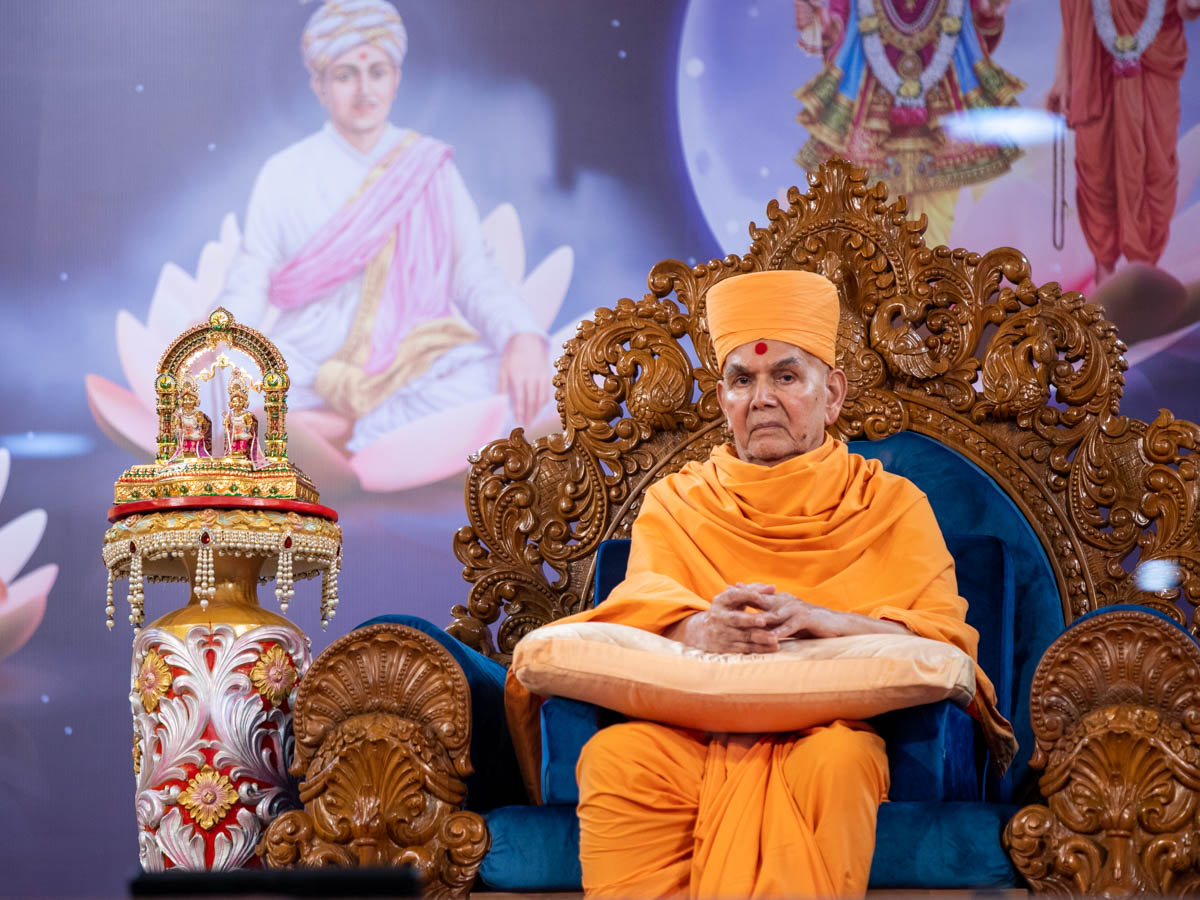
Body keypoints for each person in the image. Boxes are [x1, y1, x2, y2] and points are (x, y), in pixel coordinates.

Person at [506, 270, 1015, 898]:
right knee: (617, 759)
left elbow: (944, 645)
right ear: (722, 399)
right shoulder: (677, 503)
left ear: (833, 394)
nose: (762, 399)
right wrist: (697, 628)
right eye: (742, 379)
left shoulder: (890, 505)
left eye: (786, 377)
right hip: (687, 739)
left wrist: (828, 622)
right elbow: (639, 612)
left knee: (839, 763)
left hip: (830, 737)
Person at [217, 0, 549, 453]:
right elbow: (252, 274)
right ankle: (361, 432)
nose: (364, 91)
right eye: (345, 75)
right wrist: (219, 337)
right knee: (225, 385)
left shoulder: (429, 168)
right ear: (319, 85)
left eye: (377, 72)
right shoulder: (285, 172)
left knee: (526, 376)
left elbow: (474, 273)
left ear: (396, 80)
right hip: (307, 363)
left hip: (410, 364)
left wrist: (520, 335)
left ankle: (341, 431)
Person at [793, 0, 1023, 247]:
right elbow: (839, 25)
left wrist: (989, 15)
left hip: (942, 116)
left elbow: (976, 26)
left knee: (933, 238)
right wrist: (825, 26)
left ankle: (929, 272)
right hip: (872, 117)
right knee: (874, 236)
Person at [1046, 0, 1200, 285]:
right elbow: (1073, 21)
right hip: (1094, 72)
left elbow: (1184, 9)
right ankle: (1104, 276)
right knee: (1096, 169)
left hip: (1154, 68)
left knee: (1154, 169)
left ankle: (1143, 277)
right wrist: (1063, 76)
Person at [169, 374, 212, 460]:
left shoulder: (198, 413)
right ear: (181, 401)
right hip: (183, 438)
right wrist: (179, 427)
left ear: (196, 401)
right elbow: (176, 428)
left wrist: (199, 428)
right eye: (185, 399)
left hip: (195, 438)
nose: (187, 402)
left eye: (190, 399)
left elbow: (200, 428)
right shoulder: (179, 414)